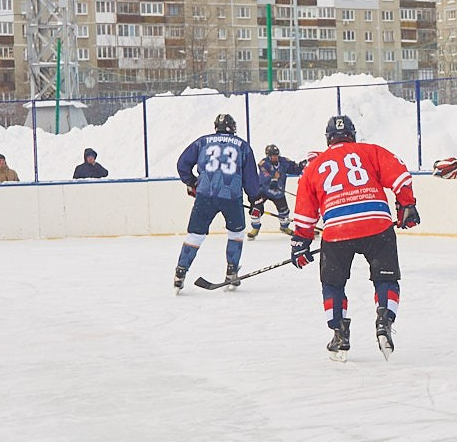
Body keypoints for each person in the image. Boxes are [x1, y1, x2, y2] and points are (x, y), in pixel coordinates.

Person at [290, 113, 418, 357]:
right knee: (386, 279)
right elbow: (400, 176)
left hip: (337, 230)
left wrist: (301, 242)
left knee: (333, 284)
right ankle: (384, 320)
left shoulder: (314, 166)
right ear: (352, 135)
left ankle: (339, 332)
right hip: (377, 224)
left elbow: (305, 213)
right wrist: (406, 205)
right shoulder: (370, 151)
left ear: (328, 138)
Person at [174, 112, 270, 291]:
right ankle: (231, 272)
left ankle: (180, 272)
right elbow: (250, 179)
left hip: (205, 195)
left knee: (195, 235)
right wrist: (255, 199)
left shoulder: (202, 141)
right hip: (231, 197)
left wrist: (192, 182)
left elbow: (182, 164)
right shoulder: (242, 145)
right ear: (233, 128)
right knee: (236, 233)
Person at [249, 143, 302, 239]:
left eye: (276, 155)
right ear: (268, 156)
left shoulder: (284, 162)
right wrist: (272, 180)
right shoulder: (263, 163)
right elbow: (264, 177)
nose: (275, 157)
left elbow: (293, 168)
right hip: (264, 191)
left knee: (284, 211)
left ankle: (284, 227)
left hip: (278, 192)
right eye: (273, 155)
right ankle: (255, 228)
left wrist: (300, 166)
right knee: (256, 209)